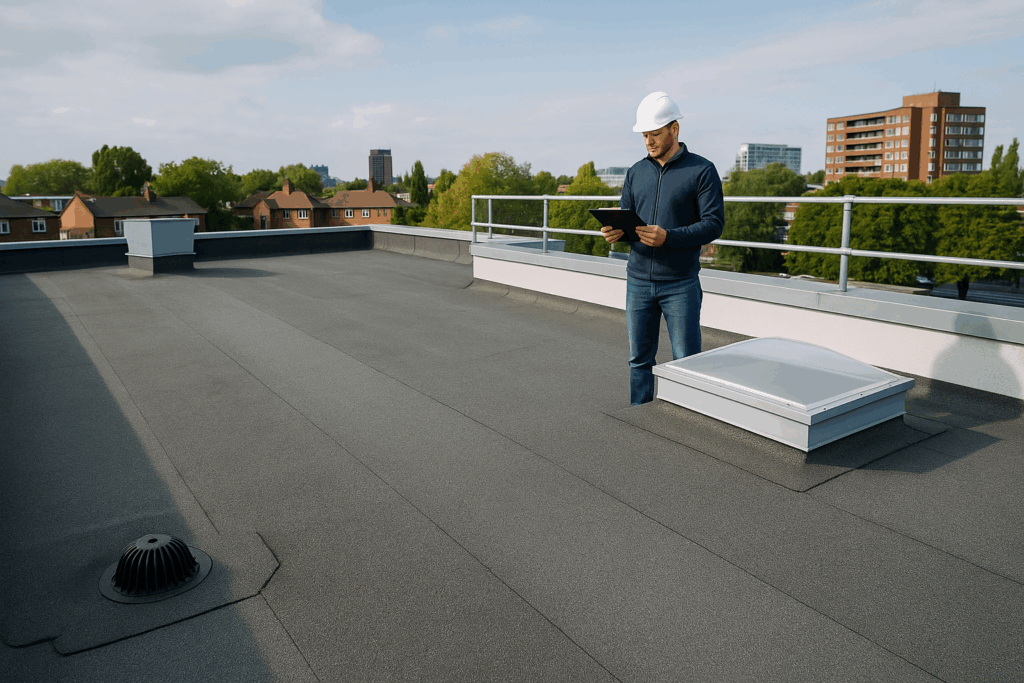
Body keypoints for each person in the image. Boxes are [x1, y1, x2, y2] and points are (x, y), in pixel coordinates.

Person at [601, 91, 724, 405]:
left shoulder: (702, 171)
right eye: (644, 135)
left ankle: (691, 419)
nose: (649, 142)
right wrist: (617, 232)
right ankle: (640, 415)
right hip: (638, 281)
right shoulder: (635, 172)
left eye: (655, 134)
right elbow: (629, 221)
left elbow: (713, 224)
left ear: (675, 129)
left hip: (680, 284)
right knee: (639, 360)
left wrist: (668, 237)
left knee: (687, 362)